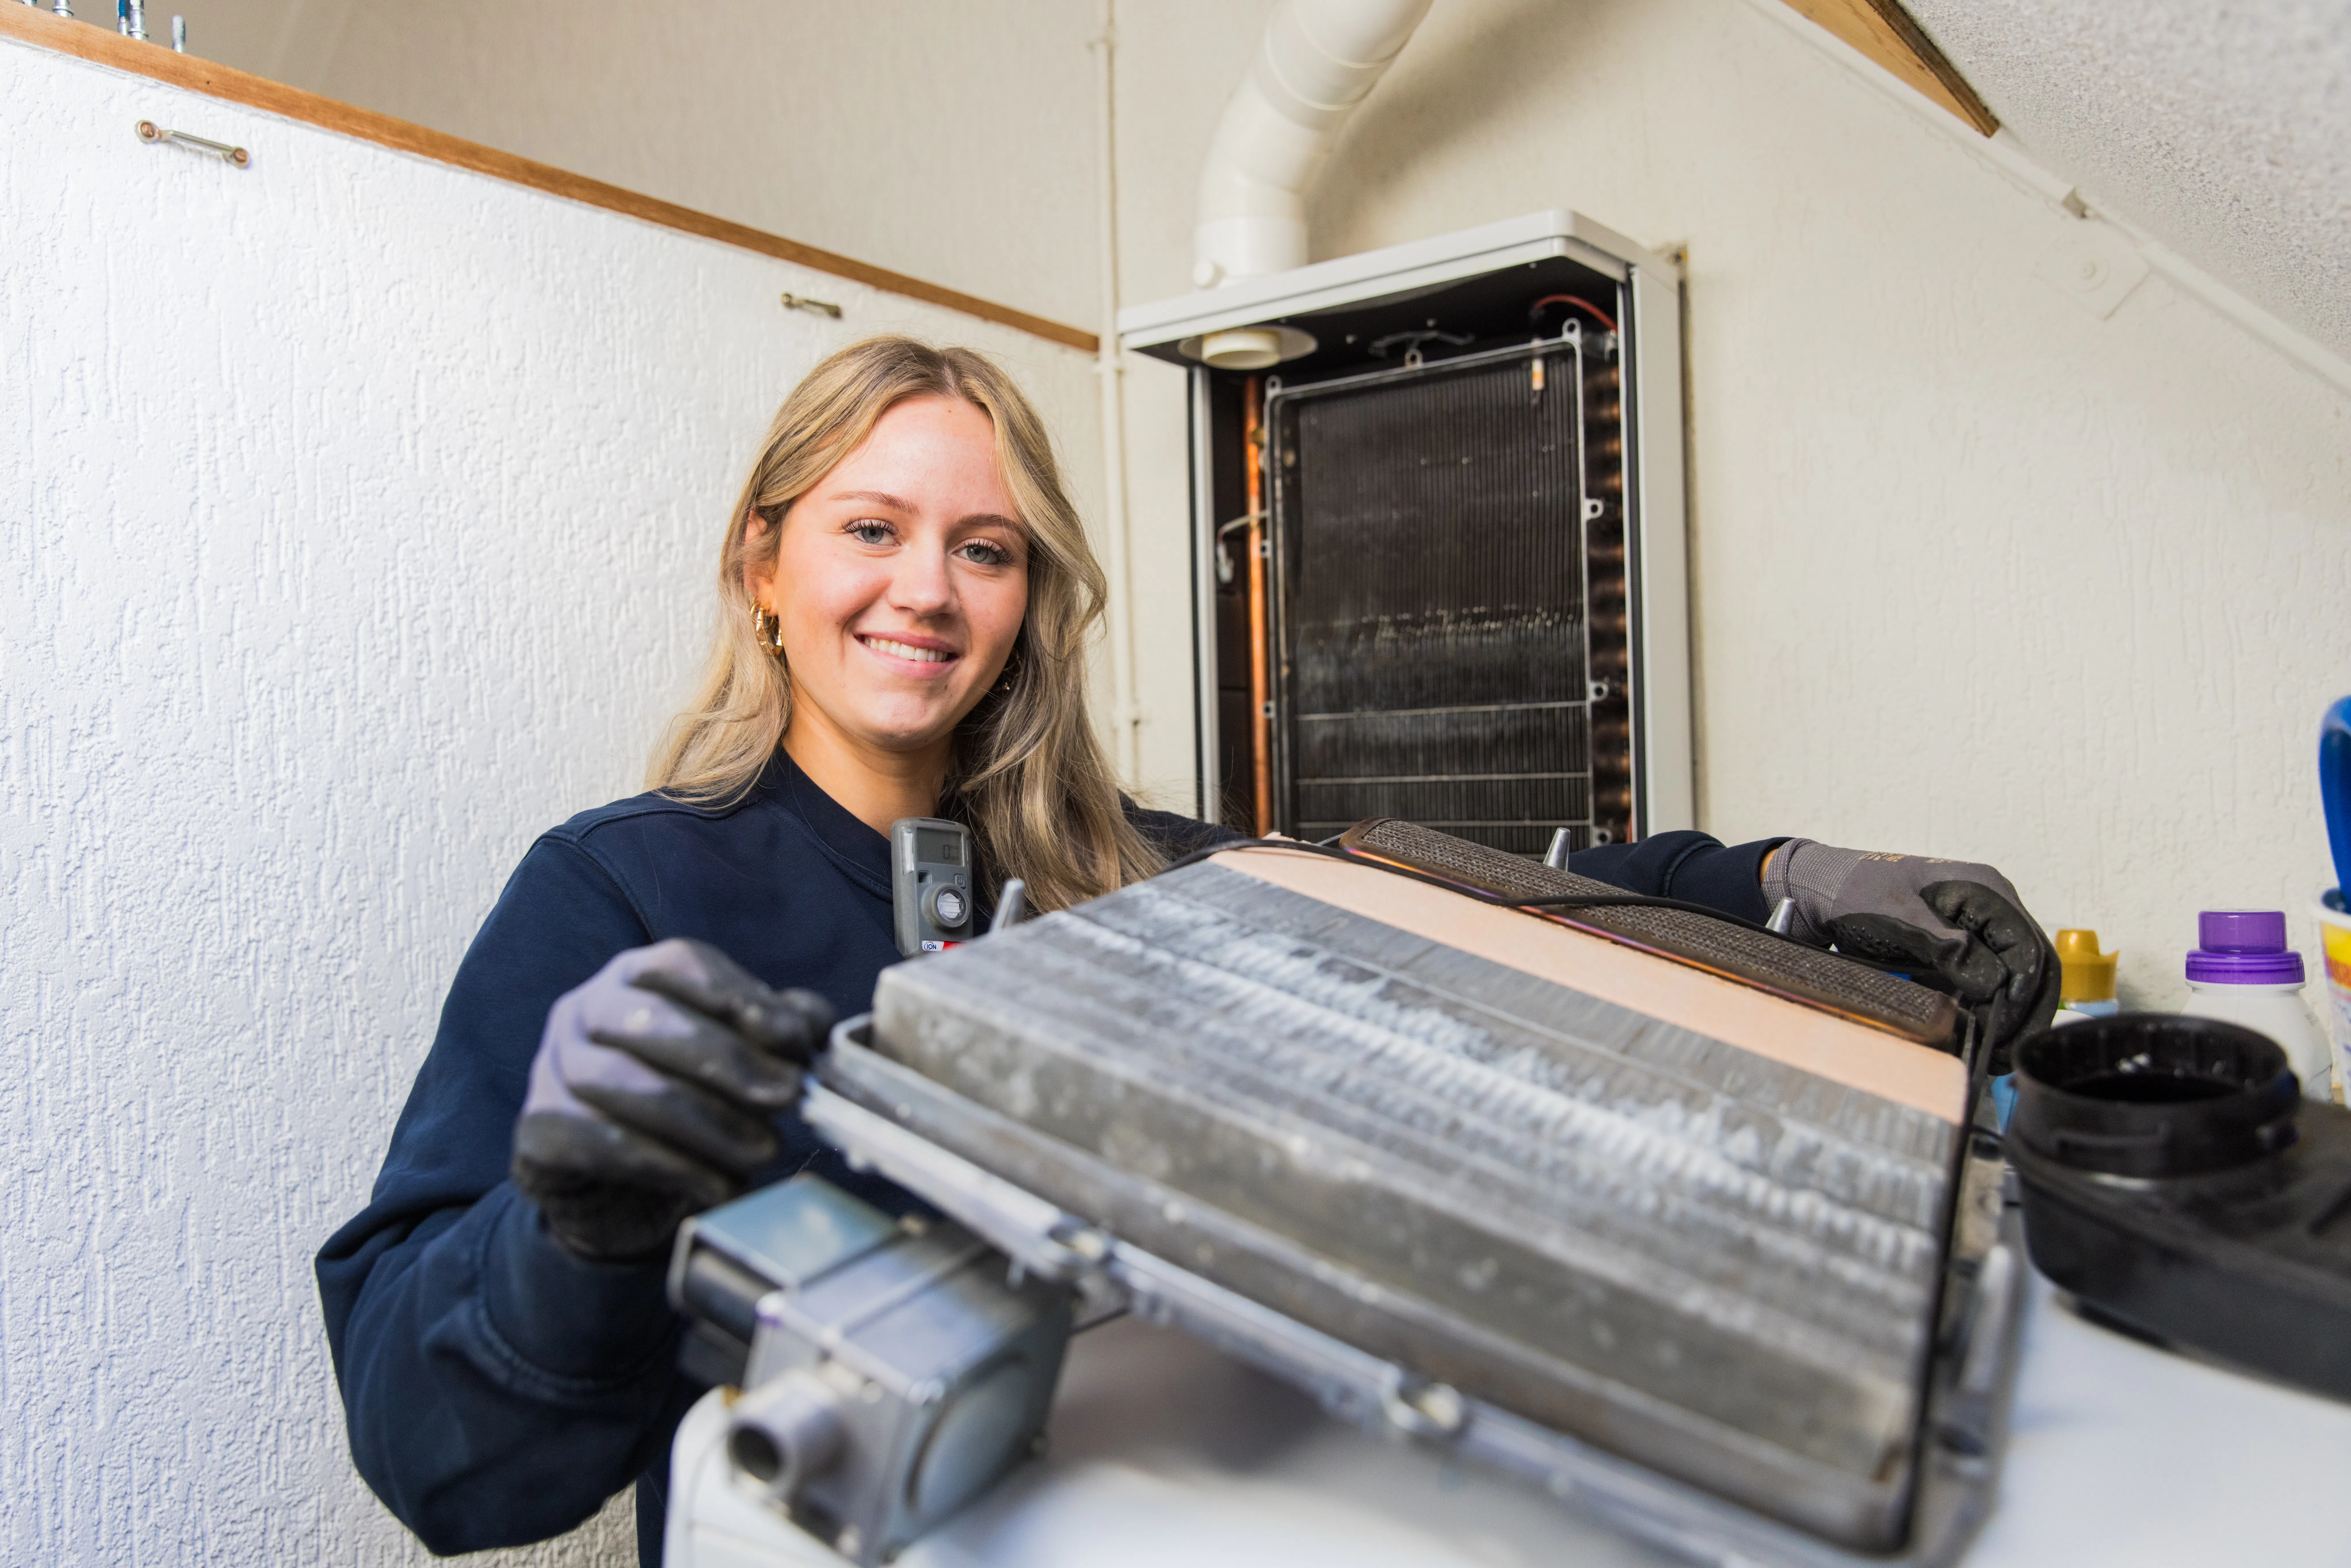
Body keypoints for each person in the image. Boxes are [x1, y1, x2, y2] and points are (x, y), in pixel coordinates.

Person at [316, 337, 2053, 1568]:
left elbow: (1472, 899)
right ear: (760, 561)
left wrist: (1778, 885)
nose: (927, 587)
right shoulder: (617, 896)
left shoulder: (1125, 869)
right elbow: (434, 1459)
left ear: (1028, 600)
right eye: (871, 527)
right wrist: (569, 1232)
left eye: (983, 549)